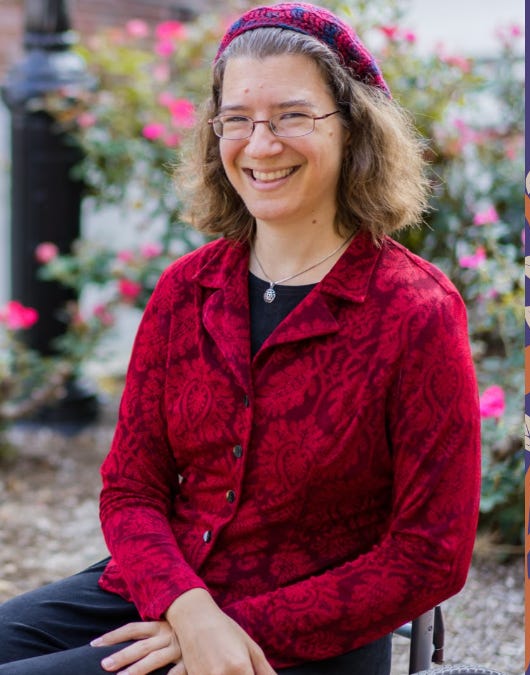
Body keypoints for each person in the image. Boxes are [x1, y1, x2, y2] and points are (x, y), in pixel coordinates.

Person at [0, 3, 482, 674]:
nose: (260, 143)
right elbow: (130, 488)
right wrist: (190, 610)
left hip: (306, 634)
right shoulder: (186, 291)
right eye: (238, 119)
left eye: (291, 115)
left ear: (355, 130)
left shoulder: (414, 310)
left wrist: (227, 629)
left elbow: (430, 551)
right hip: (165, 591)